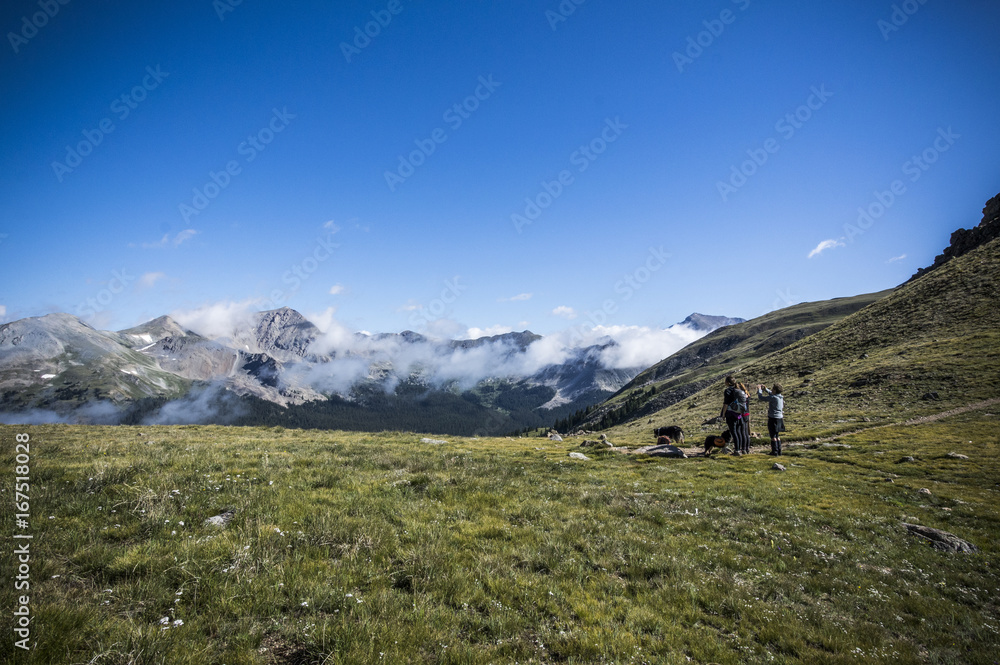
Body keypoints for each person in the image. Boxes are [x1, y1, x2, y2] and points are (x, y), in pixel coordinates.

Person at [721, 375, 750, 455]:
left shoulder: (728, 391)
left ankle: (737, 450)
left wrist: (723, 414)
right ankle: (742, 449)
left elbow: (726, 404)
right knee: (739, 432)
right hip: (739, 414)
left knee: (734, 432)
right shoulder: (738, 390)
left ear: (727, 382)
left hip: (731, 414)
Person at [757, 383, 785, 455]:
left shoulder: (773, 398)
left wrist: (759, 390)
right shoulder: (780, 397)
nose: (772, 390)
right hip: (779, 418)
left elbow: (761, 398)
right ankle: (779, 451)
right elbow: (771, 393)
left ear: (775, 390)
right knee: (777, 435)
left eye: (773, 389)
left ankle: (774, 451)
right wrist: (765, 389)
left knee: (773, 436)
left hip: (773, 418)